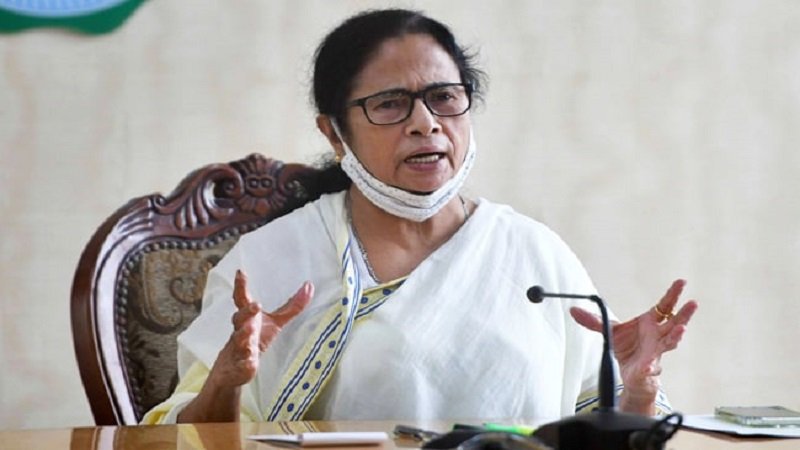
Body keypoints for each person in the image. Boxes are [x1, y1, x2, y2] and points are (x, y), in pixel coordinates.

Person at [142, 8, 698, 425]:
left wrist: (638, 389)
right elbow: (187, 439)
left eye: (444, 98)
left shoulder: (533, 252)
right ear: (334, 133)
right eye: (390, 104)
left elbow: (608, 432)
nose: (425, 123)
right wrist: (227, 381)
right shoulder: (272, 260)